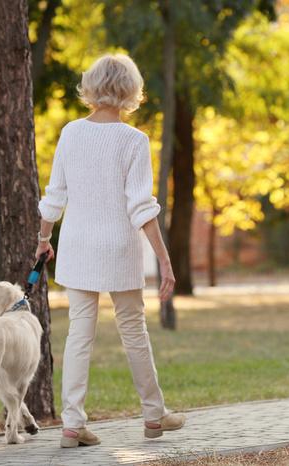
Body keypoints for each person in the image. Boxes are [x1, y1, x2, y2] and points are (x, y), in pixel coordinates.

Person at [35, 53, 185, 448]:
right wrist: (165, 261)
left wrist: (43, 240)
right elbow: (141, 207)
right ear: (130, 91)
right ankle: (154, 416)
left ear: (92, 85)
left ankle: (71, 425)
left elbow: (55, 196)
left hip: (77, 247)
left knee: (79, 335)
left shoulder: (70, 133)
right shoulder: (134, 140)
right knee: (133, 331)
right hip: (119, 247)